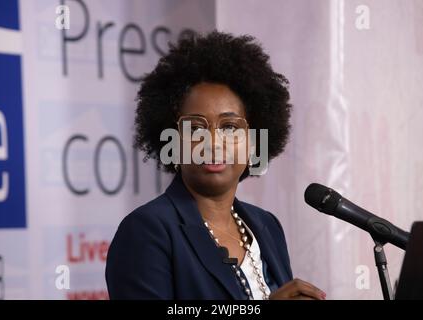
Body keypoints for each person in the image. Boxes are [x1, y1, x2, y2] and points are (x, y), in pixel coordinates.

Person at [105, 31, 325, 300]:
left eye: (230, 127)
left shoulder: (266, 226)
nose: (213, 142)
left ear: (254, 141)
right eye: (196, 128)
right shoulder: (146, 231)